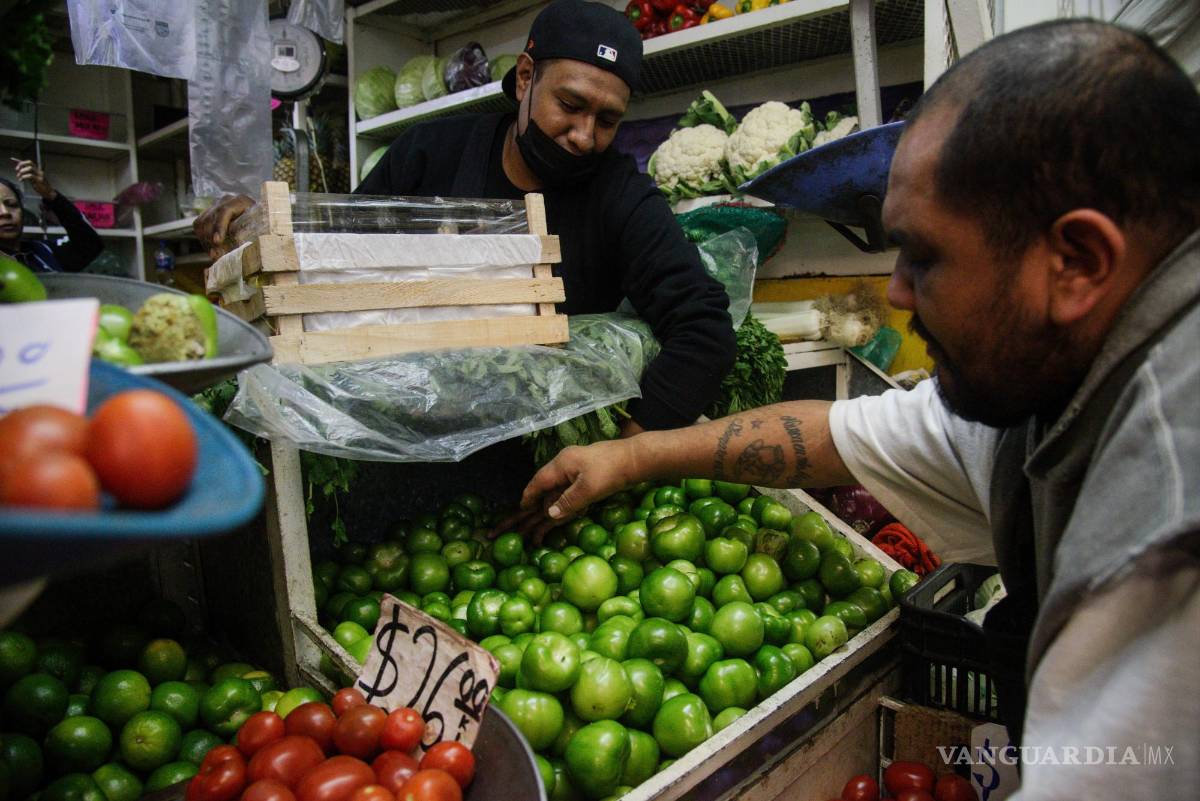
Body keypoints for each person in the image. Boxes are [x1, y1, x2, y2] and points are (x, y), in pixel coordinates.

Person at [519, 19, 1200, 800]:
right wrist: (633, 454)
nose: (897, 293)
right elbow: (835, 438)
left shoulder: (1164, 524)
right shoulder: (1065, 375)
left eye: (925, 257)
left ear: (1077, 261)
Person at [194, 0, 736, 435]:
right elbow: (332, 259)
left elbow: (704, 328)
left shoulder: (620, 196)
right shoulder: (430, 153)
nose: (584, 136)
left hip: (547, 440)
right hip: (401, 424)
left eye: (608, 120)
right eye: (570, 106)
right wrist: (259, 229)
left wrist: (626, 455)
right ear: (525, 78)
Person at [0, 160, 103, 273]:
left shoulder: (44, 251)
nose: (5, 212)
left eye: (12, 204)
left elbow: (90, 244)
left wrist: (50, 194)